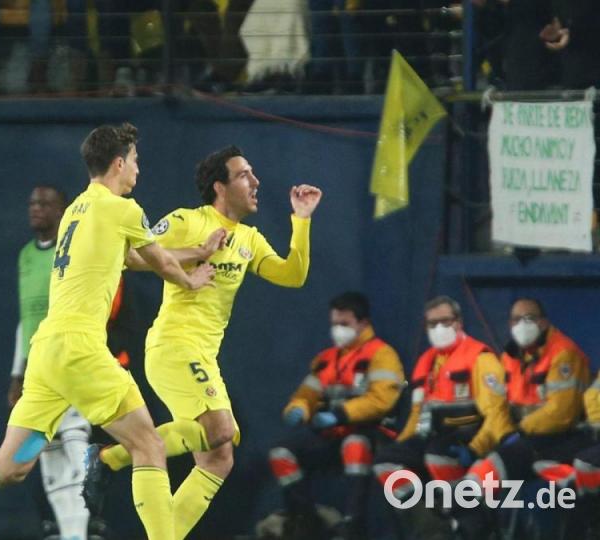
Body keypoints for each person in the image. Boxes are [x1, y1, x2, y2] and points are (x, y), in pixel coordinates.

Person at [0, 122, 215, 540]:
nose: (138, 170)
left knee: (13, 464)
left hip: (47, 356)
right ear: (119, 162)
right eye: (135, 161)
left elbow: (130, 258)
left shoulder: (76, 211)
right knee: (150, 446)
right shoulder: (122, 209)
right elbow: (160, 263)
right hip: (81, 351)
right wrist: (191, 280)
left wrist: (195, 252)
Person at [83, 144, 323, 540]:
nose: (256, 181)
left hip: (202, 356)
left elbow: (292, 275)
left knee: (219, 457)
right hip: (173, 347)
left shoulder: (248, 237)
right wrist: (195, 252)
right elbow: (129, 256)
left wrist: (301, 221)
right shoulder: (186, 220)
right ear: (220, 187)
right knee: (221, 430)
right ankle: (110, 457)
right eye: (245, 174)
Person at [372, 295, 514, 538]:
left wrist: (476, 448)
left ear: (458, 322)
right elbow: (418, 412)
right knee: (386, 462)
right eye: (432, 323)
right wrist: (403, 442)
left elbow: (497, 413)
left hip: (469, 435)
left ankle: (473, 527)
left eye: (444, 321)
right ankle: (432, 525)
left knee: (437, 456)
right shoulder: (426, 362)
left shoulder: (480, 358)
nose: (439, 328)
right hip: (432, 435)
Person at [268, 291, 404, 539]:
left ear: (362, 323)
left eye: (345, 324)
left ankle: (353, 524)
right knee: (280, 453)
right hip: (330, 433)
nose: (338, 330)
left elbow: (381, 400)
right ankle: (305, 519)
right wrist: (298, 409)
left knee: (355, 446)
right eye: (334, 324)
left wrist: (341, 414)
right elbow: (307, 394)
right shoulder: (326, 360)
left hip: (369, 432)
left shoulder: (382, 355)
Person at [452, 298, 590, 539]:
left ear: (544, 322)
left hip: (558, 441)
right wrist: (477, 447)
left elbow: (562, 413)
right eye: (516, 319)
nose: (522, 324)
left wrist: (519, 433)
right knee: (469, 488)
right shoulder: (510, 358)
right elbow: (499, 412)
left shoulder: (564, 353)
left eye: (530, 318)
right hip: (523, 443)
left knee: (477, 484)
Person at [8, 184, 92, 539]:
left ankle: (85, 531)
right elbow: (25, 319)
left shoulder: (74, 251)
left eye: (44, 203)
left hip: (70, 365)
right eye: (31, 202)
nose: (35, 208)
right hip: (36, 373)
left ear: (63, 210)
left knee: (77, 448)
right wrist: (17, 372)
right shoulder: (26, 256)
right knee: (45, 452)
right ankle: (70, 533)